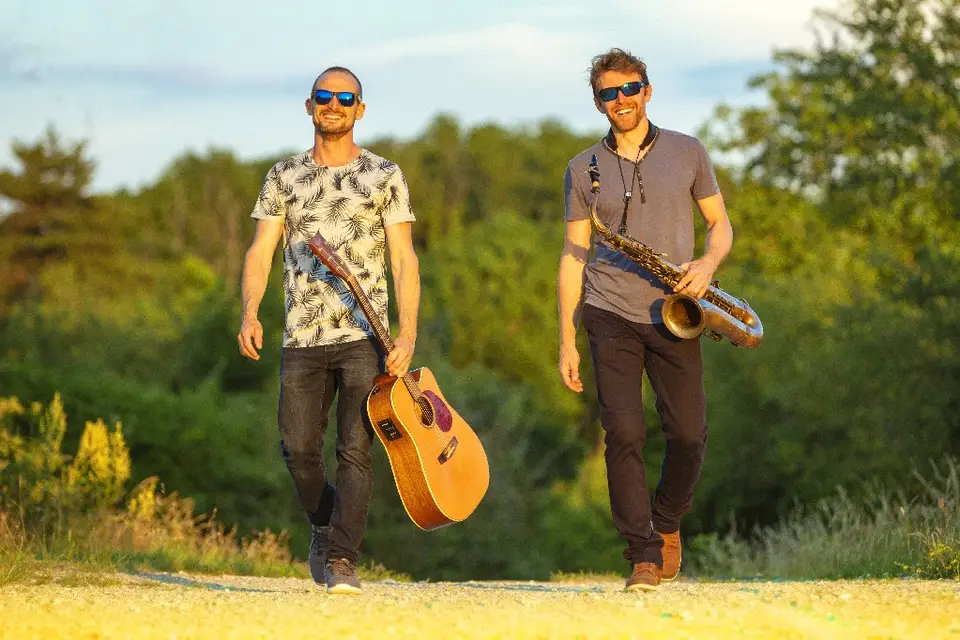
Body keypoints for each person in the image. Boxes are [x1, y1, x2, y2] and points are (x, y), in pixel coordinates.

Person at [237, 66, 420, 595]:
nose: (333, 104)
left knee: (355, 450)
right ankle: (324, 525)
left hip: (365, 337)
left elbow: (404, 260)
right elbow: (260, 251)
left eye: (345, 97)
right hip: (302, 337)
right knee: (297, 449)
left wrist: (407, 334)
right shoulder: (283, 176)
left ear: (360, 109)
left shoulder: (384, 175)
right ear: (309, 105)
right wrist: (250, 312)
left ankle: (342, 557)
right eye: (324, 96)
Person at [557, 48, 733, 592]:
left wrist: (707, 264)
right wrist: (566, 337)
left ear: (647, 91)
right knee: (624, 432)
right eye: (609, 93)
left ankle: (667, 520)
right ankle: (642, 555)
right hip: (608, 310)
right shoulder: (581, 168)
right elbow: (573, 254)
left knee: (689, 434)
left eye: (630, 89)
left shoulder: (688, 151)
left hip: (674, 311)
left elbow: (719, 224)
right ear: (598, 103)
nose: (621, 100)